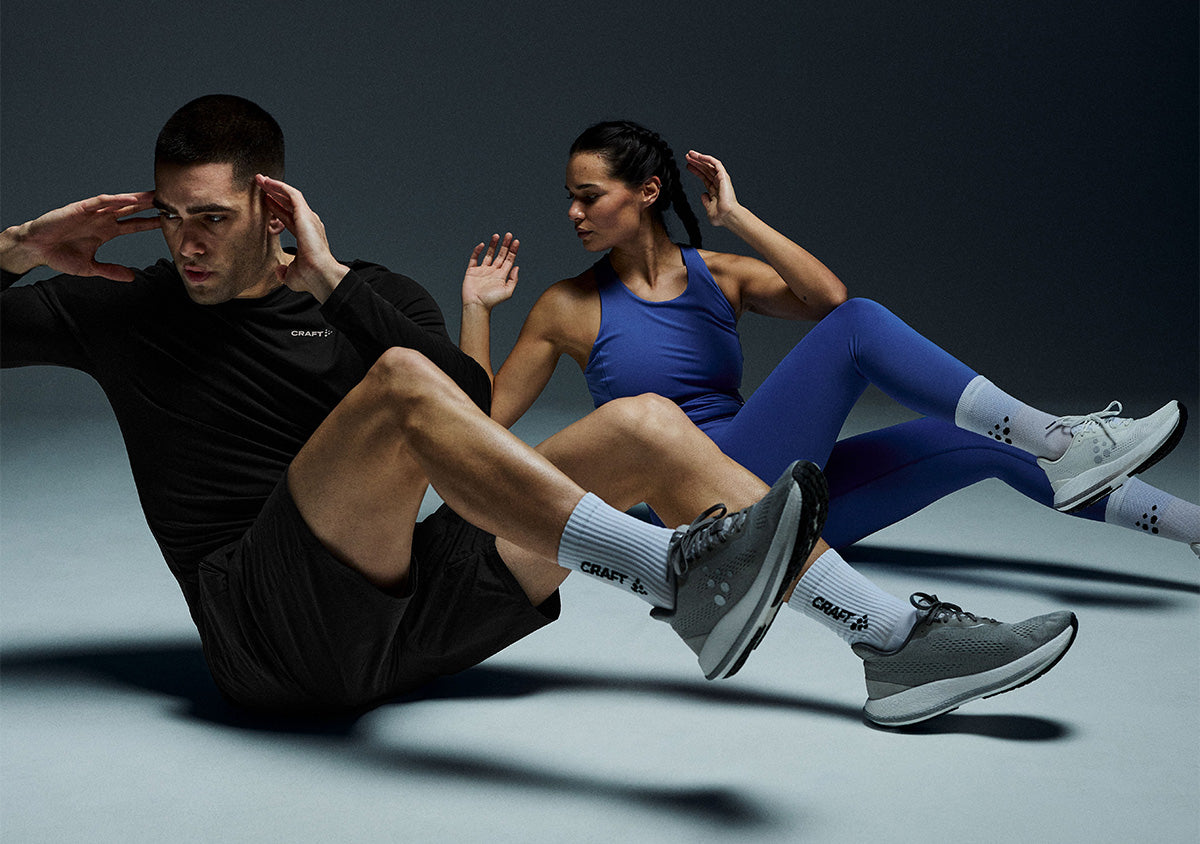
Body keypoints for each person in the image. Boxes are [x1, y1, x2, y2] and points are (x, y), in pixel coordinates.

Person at [0, 97, 1075, 728]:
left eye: (212, 218)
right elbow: (420, 403)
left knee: (649, 422)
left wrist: (330, 279)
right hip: (268, 636)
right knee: (402, 393)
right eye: (171, 218)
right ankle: (671, 572)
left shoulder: (361, 293)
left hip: (405, 618)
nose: (184, 243)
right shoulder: (116, 310)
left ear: (273, 207)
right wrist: (14, 251)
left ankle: (889, 641)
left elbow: (465, 411)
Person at [460, 119, 1197, 684]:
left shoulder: (719, 274)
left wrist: (738, 219)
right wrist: (478, 309)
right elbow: (478, 425)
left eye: (588, 196)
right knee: (861, 327)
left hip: (783, 496)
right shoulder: (567, 306)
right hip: (701, 504)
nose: (573, 213)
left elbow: (822, 296)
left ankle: (1186, 523)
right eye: (571, 199)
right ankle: (1065, 440)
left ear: (646, 192)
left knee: (988, 446)